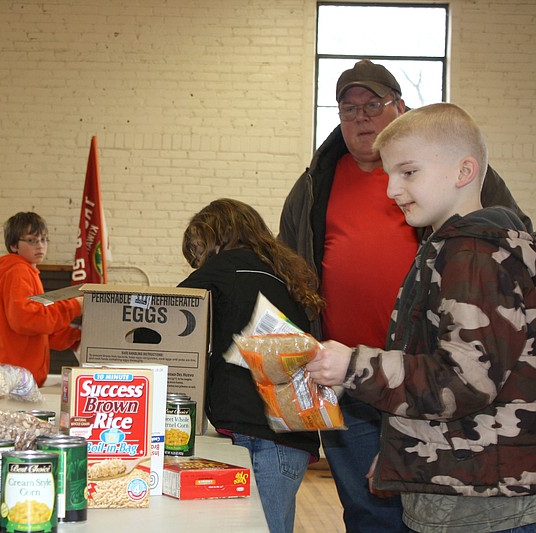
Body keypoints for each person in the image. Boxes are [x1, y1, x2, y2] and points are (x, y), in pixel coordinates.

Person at [278, 59, 531, 532]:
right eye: (348, 108)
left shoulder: (473, 251)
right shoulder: (446, 242)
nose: (392, 190)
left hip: (484, 489)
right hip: (422, 429)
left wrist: (354, 365)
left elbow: (465, 380)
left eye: (408, 173)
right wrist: (403, 455)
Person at [177, 198, 325, 532]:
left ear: (220, 237)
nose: (198, 262)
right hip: (291, 439)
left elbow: (167, 313)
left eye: (200, 250)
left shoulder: (227, 265)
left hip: (259, 439)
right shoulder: (280, 273)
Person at [0, 212, 82, 386]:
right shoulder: (18, 271)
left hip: (12, 374)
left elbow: (41, 329)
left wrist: (77, 336)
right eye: (32, 240)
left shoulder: (27, 271)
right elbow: (26, 319)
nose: (40, 246)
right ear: (14, 245)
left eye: (44, 240)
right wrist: (75, 306)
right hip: (11, 375)